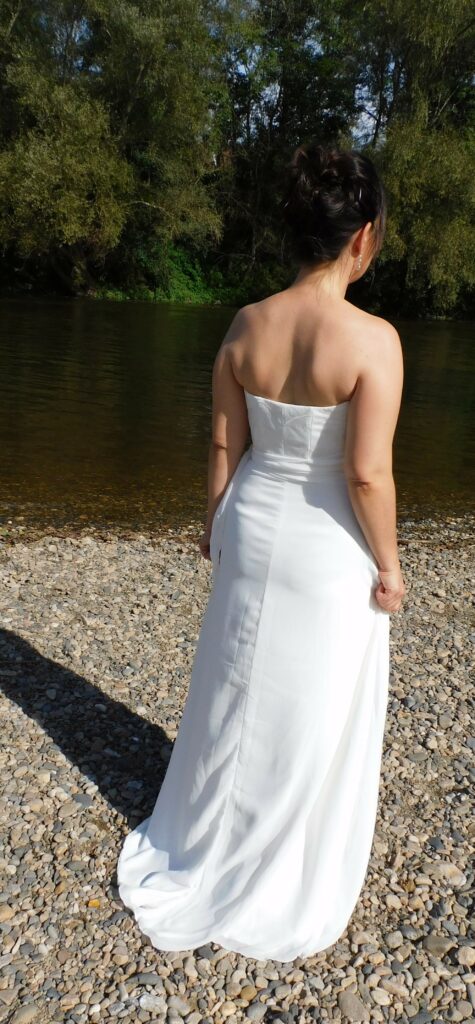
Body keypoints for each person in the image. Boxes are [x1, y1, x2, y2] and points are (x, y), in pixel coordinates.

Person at [117, 140, 406, 962]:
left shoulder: (246, 324)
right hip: (323, 544)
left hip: (250, 517)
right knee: (307, 702)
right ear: (361, 238)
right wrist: (387, 567)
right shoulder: (372, 339)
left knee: (236, 681)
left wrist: (215, 522)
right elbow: (365, 473)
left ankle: (207, 833)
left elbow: (221, 441)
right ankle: (277, 861)